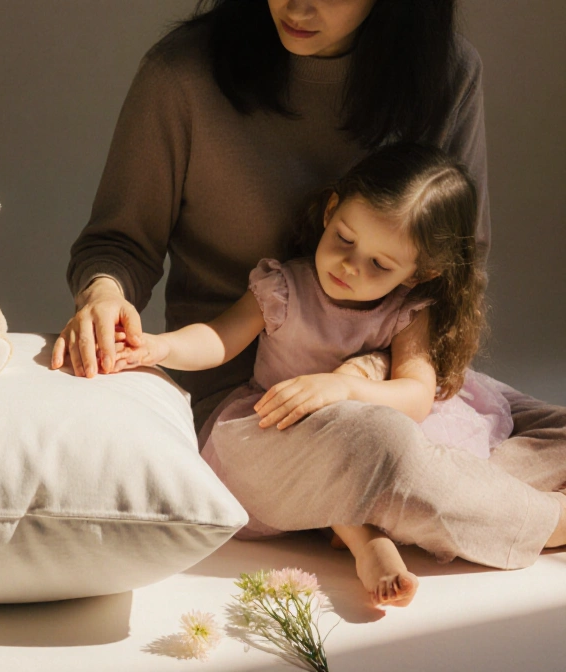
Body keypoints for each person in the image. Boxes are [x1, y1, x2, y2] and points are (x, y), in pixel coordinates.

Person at [50, 0, 566, 603]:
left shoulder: (443, 73)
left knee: (538, 429)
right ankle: (540, 521)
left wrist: (367, 374)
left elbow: (454, 266)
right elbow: (121, 241)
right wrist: (106, 296)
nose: (297, 4)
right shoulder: (182, 75)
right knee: (380, 445)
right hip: (254, 410)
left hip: (392, 379)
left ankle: (371, 508)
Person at [107, 144, 565, 606]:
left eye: (380, 265)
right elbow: (221, 337)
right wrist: (159, 347)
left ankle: (361, 529)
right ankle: (510, 526)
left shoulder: (407, 311)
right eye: (346, 238)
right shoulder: (286, 287)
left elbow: (417, 395)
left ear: (418, 273)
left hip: (363, 421)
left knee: (524, 428)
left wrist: (344, 386)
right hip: (281, 430)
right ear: (331, 211)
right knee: (377, 444)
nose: (350, 265)